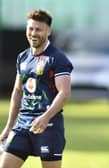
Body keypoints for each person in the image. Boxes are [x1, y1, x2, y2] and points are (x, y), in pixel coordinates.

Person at [0, 9, 73, 168]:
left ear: (48, 31)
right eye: (30, 29)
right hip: (22, 126)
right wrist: (9, 126)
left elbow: (65, 93)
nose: (33, 33)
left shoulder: (58, 58)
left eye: (38, 29)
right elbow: (18, 91)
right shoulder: (23, 57)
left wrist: (45, 117)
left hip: (48, 127)